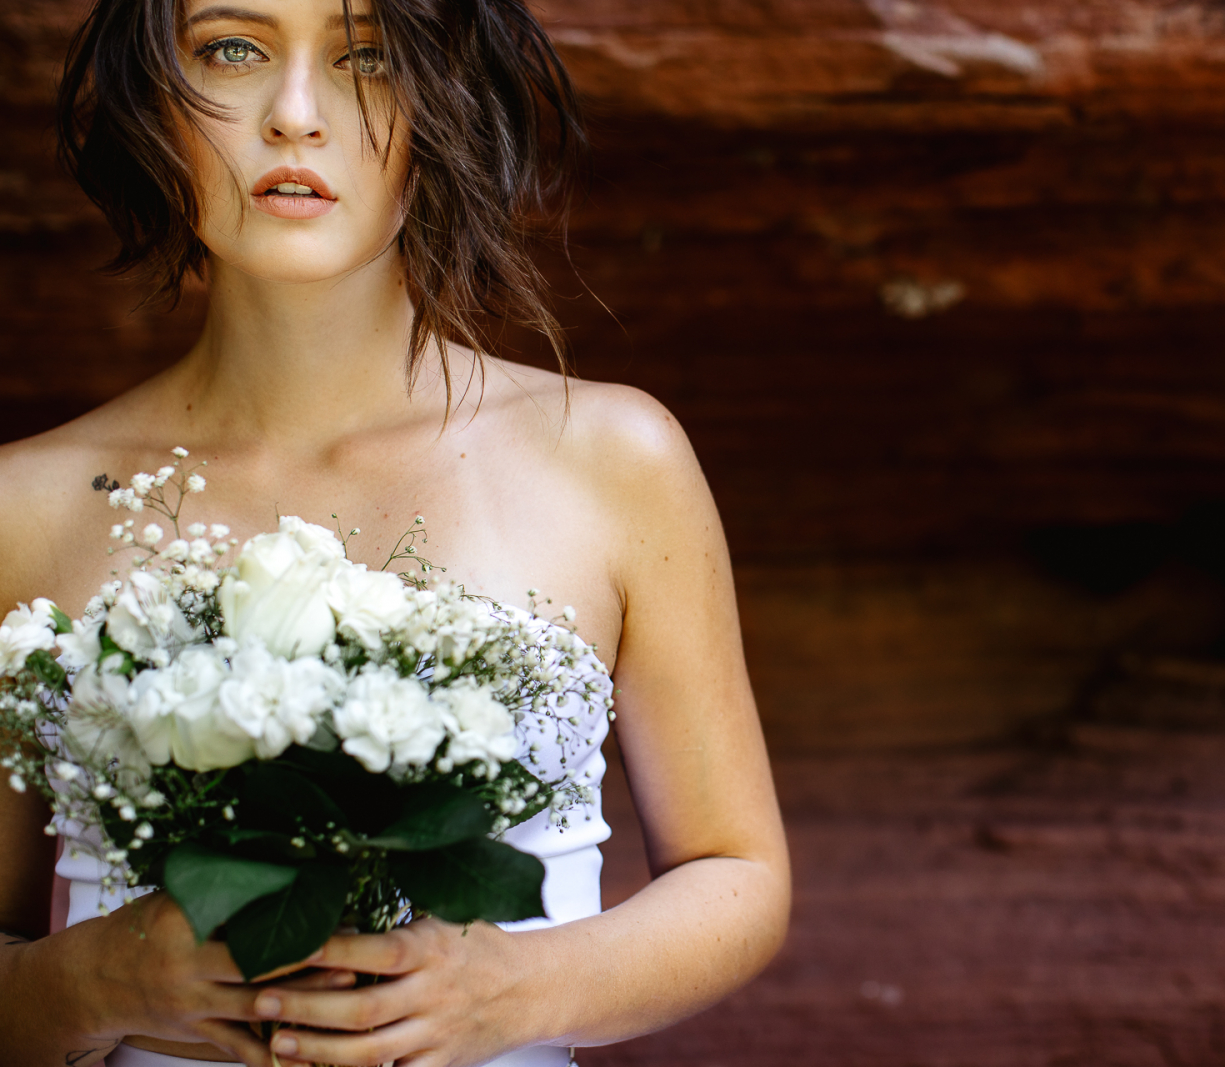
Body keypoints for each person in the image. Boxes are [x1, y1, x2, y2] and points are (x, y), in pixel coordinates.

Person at [0, 0, 791, 1064]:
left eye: (366, 57)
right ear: (154, 100)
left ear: (443, 101)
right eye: (232, 49)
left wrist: (510, 989)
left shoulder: (613, 455)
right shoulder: (26, 505)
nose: (294, 116)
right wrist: (91, 978)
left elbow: (736, 871)